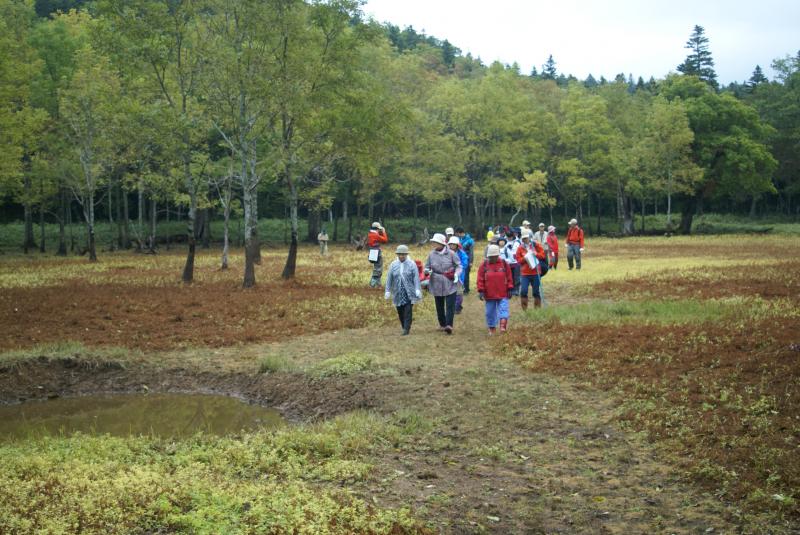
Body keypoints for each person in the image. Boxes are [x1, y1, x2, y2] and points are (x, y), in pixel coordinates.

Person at [424, 233, 462, 334]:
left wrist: (456, 274)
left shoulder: (452, 254)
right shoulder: (431, 254)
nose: (434, 244)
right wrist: (427, 271)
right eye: (433, 243)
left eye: (436, 243)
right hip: (436, 281)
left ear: (442, 243)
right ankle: (442, 324)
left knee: (450, 305)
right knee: (439, 305)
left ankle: (449, 325)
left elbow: (459, 266)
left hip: (450, 281)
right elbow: (426, 267)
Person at [385, 245, 422, 335]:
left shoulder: (412, 264)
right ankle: (404, 326)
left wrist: (417, 289)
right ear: (397, 254)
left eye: (403, 254)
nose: (401, 256)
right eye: (400, 254)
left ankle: (406, 328)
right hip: (397, 292)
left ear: (406, 254)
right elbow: (389, 278)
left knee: (408, 310)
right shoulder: (393, 265)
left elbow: (416, 277)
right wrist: (388, 290)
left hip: (409, 292)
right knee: (400, 310)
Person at [477, 244, 514, 334]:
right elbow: (480, 279)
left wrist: (510, 288)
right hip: (489, 294)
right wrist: (481, 290)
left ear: (498, 255)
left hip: (503, 293)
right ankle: (492, 327)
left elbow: (509, 277)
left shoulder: (504, 264)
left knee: (503, 309)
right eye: (491, 257)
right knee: (490, 312)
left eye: (495, 256)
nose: (493, 258)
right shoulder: (484, 265)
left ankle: (502, 326)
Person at [514, 229, 546, 310]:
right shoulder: (520, 248)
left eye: (527, 238)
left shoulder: (536, 245)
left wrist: (536, 254)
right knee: (523, 291)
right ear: (522, 238)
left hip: (536, 272)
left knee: (536, 292)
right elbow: (518, 260)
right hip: (525, 274)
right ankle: (525, 311)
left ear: (529, 237)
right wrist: (524, 258)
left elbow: (543, 256)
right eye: (524, 238)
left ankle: (537, 310)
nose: (525, 240)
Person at [448, 236, 469, 314]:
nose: (452, 246)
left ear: (457, 245)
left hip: (459, 276)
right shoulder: (446, 253)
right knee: (450, 293)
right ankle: (452, 307)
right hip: (449, 276)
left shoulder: (462, 253)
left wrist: (458, 268)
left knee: (459, 292)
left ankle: (457, 307)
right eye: (451, 244)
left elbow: (465, 263)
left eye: (454, 244)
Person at [367, 222, 389, 287]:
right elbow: (385, 240)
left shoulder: (370, 234)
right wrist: (384, 232)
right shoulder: (375, 235)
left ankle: (378, 283)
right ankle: (373, 283)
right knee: (378, 267)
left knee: (377, 266)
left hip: (372, 251)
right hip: (376, 251)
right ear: (376, 228)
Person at [456, 227, 474, 294]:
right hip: (460, 260)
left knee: (466, 275)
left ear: (461, 233)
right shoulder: (459, 240)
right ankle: (462, 288)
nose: (457, 235)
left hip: (467, 260)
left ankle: (466, 289)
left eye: (458, 234)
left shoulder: (469, 241)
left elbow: (471, 252)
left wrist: (471, 262)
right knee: (461, 275)